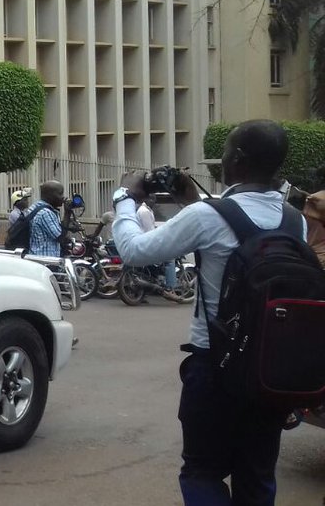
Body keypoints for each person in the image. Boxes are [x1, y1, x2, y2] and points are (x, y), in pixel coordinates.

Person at [112, 119, 301, 505]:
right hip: (270, 372)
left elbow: (134, 250)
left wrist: (124, 198)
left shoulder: (207, 216)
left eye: (227, 153)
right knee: (257, 475)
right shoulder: (293, 221)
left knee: (202, 471)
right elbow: (241, 229)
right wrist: (194, 200)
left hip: (215, 367)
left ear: (239, 159)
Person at [138, 198, 180, 299]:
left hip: (144, 242)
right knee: (170, 259)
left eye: (154, 199)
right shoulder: (144, 212)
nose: (153, 201)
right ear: (146, 198)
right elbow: (149, 231)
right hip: (147, 243)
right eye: (151, 198)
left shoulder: (146, 210)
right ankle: (170, 289)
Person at [24, 181, 65, 257]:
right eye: (60, 193)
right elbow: (60, 237)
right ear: (49, 195)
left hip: (35, 255)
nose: (63, 197)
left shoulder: (35, 207)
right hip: (45, 258)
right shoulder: (45, 213)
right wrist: (67, 214)